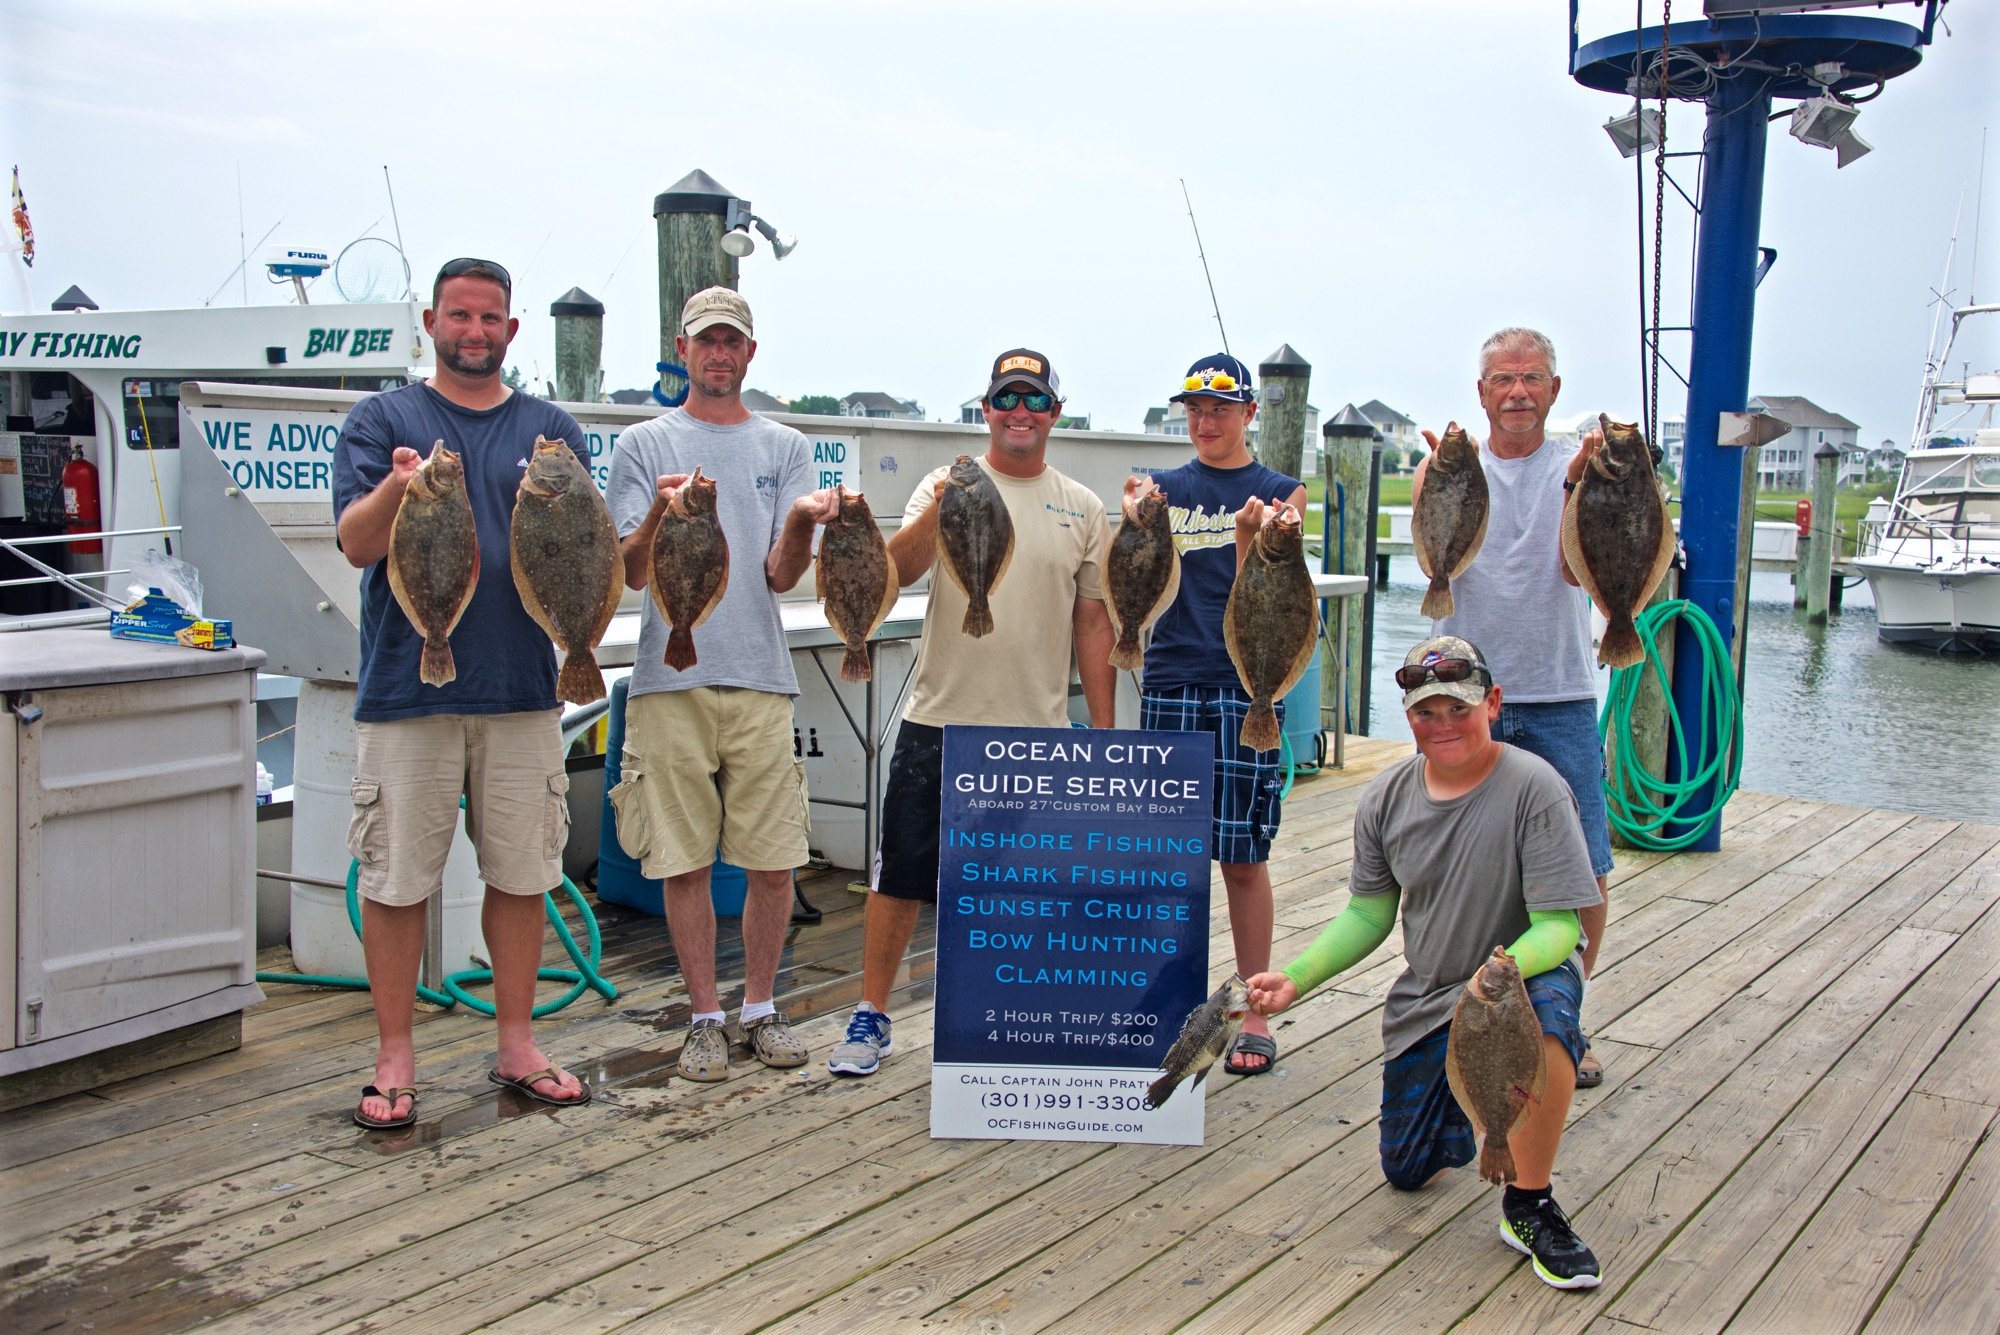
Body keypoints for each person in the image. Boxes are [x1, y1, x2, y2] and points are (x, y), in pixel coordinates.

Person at [1246, 635, 1604, 1290]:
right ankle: (1476, 1118)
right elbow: (1368, 915)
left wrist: (1504, 969)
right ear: (1406, 714)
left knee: (1550, 1023)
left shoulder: (1537, 789)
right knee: (1407, 1168)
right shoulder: (1384, 799)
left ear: (1492, 703)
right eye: (1425, 712)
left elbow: (1561, 926)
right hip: (1433, 997)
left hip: (1516, 982)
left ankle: (1530, 1202)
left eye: (1459, 709)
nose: (1443, 726)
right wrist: (1296, 976)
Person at [332, 257, 591, 1128]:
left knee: (521, 874)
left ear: (511, 331)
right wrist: (400, 487)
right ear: (431, 324)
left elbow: (586, 551)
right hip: (408, 690)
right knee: (398, 878)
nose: (474, 331)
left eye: (490, 318)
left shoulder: (551, 431)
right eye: (458, 316)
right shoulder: (383, 419)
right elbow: (356, 544)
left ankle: (515, 1042)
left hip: (522, 687)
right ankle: (394, 1055)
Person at [827, 348, 1116, 1077]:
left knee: (1019, 889)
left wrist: (1106, 736)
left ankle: (1005, 1016)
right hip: (940, 721)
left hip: (1038, 734)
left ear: (1055, 411)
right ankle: (872, 1014)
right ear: (985, 409)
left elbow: (1091, 625)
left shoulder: (1082, 507)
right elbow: (895, 572)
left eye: (1035, 399)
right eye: (1006, 398)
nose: (1020, 411)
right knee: (899, 878)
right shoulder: (942, 481)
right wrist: (947, 501)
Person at [606, 286, 839, 1082]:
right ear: (682, 348)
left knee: (774, 859)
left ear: (749, 353)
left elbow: (779, 574)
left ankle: (761, 1008)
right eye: (705, 340)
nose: (718, 353)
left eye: (731, 341)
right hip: (668, 680)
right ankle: (705, 1016)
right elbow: (632, 568)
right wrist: (659, 518)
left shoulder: (785, 446)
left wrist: (805, 519)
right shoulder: (642, 443)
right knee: (684, 860)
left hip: (760, 676)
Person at [1413, 326, 1612, 1088]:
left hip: (1558, 689)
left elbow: (1576, 568)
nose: (1518, 391)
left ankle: (1566, 1018)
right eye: (1503, 379)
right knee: (1449, 864)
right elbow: (1435, 562)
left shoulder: (1578, 468)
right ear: (1482, 391)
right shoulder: (1442, 467)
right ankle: (1447, 1014)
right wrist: (1438, 475)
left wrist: (1586, 484)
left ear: (1554, 391)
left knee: (1583, 865)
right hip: (1462, 694)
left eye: (1532, 378)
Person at [1131, 353, 1306, 1076]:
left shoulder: (1278, 490)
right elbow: (1133, 568)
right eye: (1196, 410)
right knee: (1168, 863)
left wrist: (1262, 532)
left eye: (1221, 409)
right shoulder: (1164, 488)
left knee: (1241, 857)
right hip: (1169, 680)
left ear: (1249, 414)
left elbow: (1271, 592)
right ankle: (1170, 1002)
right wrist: (1135, 511)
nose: (1206, 422)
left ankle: (1257, 1007)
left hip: (1246, 686)